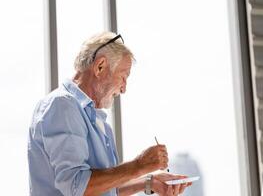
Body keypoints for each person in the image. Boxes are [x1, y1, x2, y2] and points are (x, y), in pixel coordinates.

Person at [28, 32, 191, 196]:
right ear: (100, 66)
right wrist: (139, 165)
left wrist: (149, 182)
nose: (124, 89)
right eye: (123, 77)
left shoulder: (98, 122)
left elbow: (103, 189)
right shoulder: (62, 106)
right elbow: (77, 185)